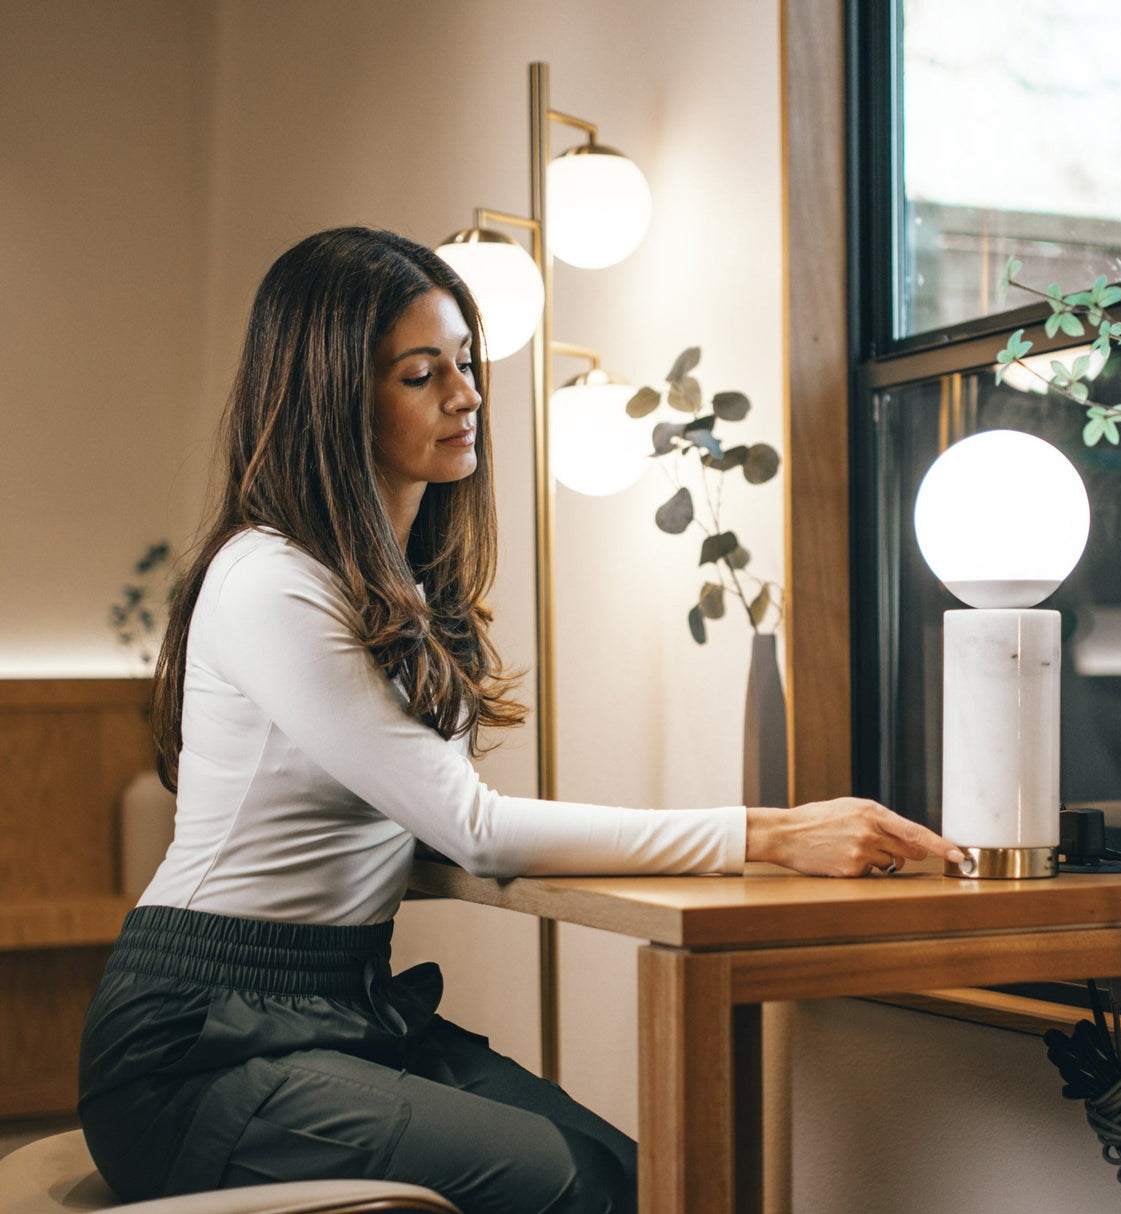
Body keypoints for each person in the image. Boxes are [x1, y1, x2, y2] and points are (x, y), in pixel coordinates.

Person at [77, 227, 964, 1214]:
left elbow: (420, 814)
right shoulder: (269, 580)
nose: (466, 394)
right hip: (197, 1045)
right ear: (333, 397)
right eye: (422, 373)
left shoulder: (397, 585)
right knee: (568, 1186)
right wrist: (771, 831)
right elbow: (469, 823)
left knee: (637, 1176)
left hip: (342, 1002)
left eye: (463, 362)